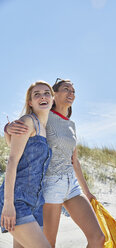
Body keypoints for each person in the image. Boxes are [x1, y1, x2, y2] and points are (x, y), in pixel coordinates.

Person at [4, 78, 105, 248]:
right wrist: (7, 128)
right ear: (54, 95)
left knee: (98, 238)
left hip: (71, 185)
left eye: (73, 91)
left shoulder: (71, 124)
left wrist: (87, 192)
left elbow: (75, 161)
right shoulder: (44, 116)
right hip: (49, 185)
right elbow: (20, 138)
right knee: (48, 244)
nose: (71, 93)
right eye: (66, 89)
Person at [0, 81, 54, 248]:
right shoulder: (28, 121)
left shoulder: (45, 128)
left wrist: (6, 131)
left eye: (46, 93)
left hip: (36, 203)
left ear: (52, 99)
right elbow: (12, 161)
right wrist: (8, 204)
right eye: (36, 94)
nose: (42, 96)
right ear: (30, 102)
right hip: (17, 200)